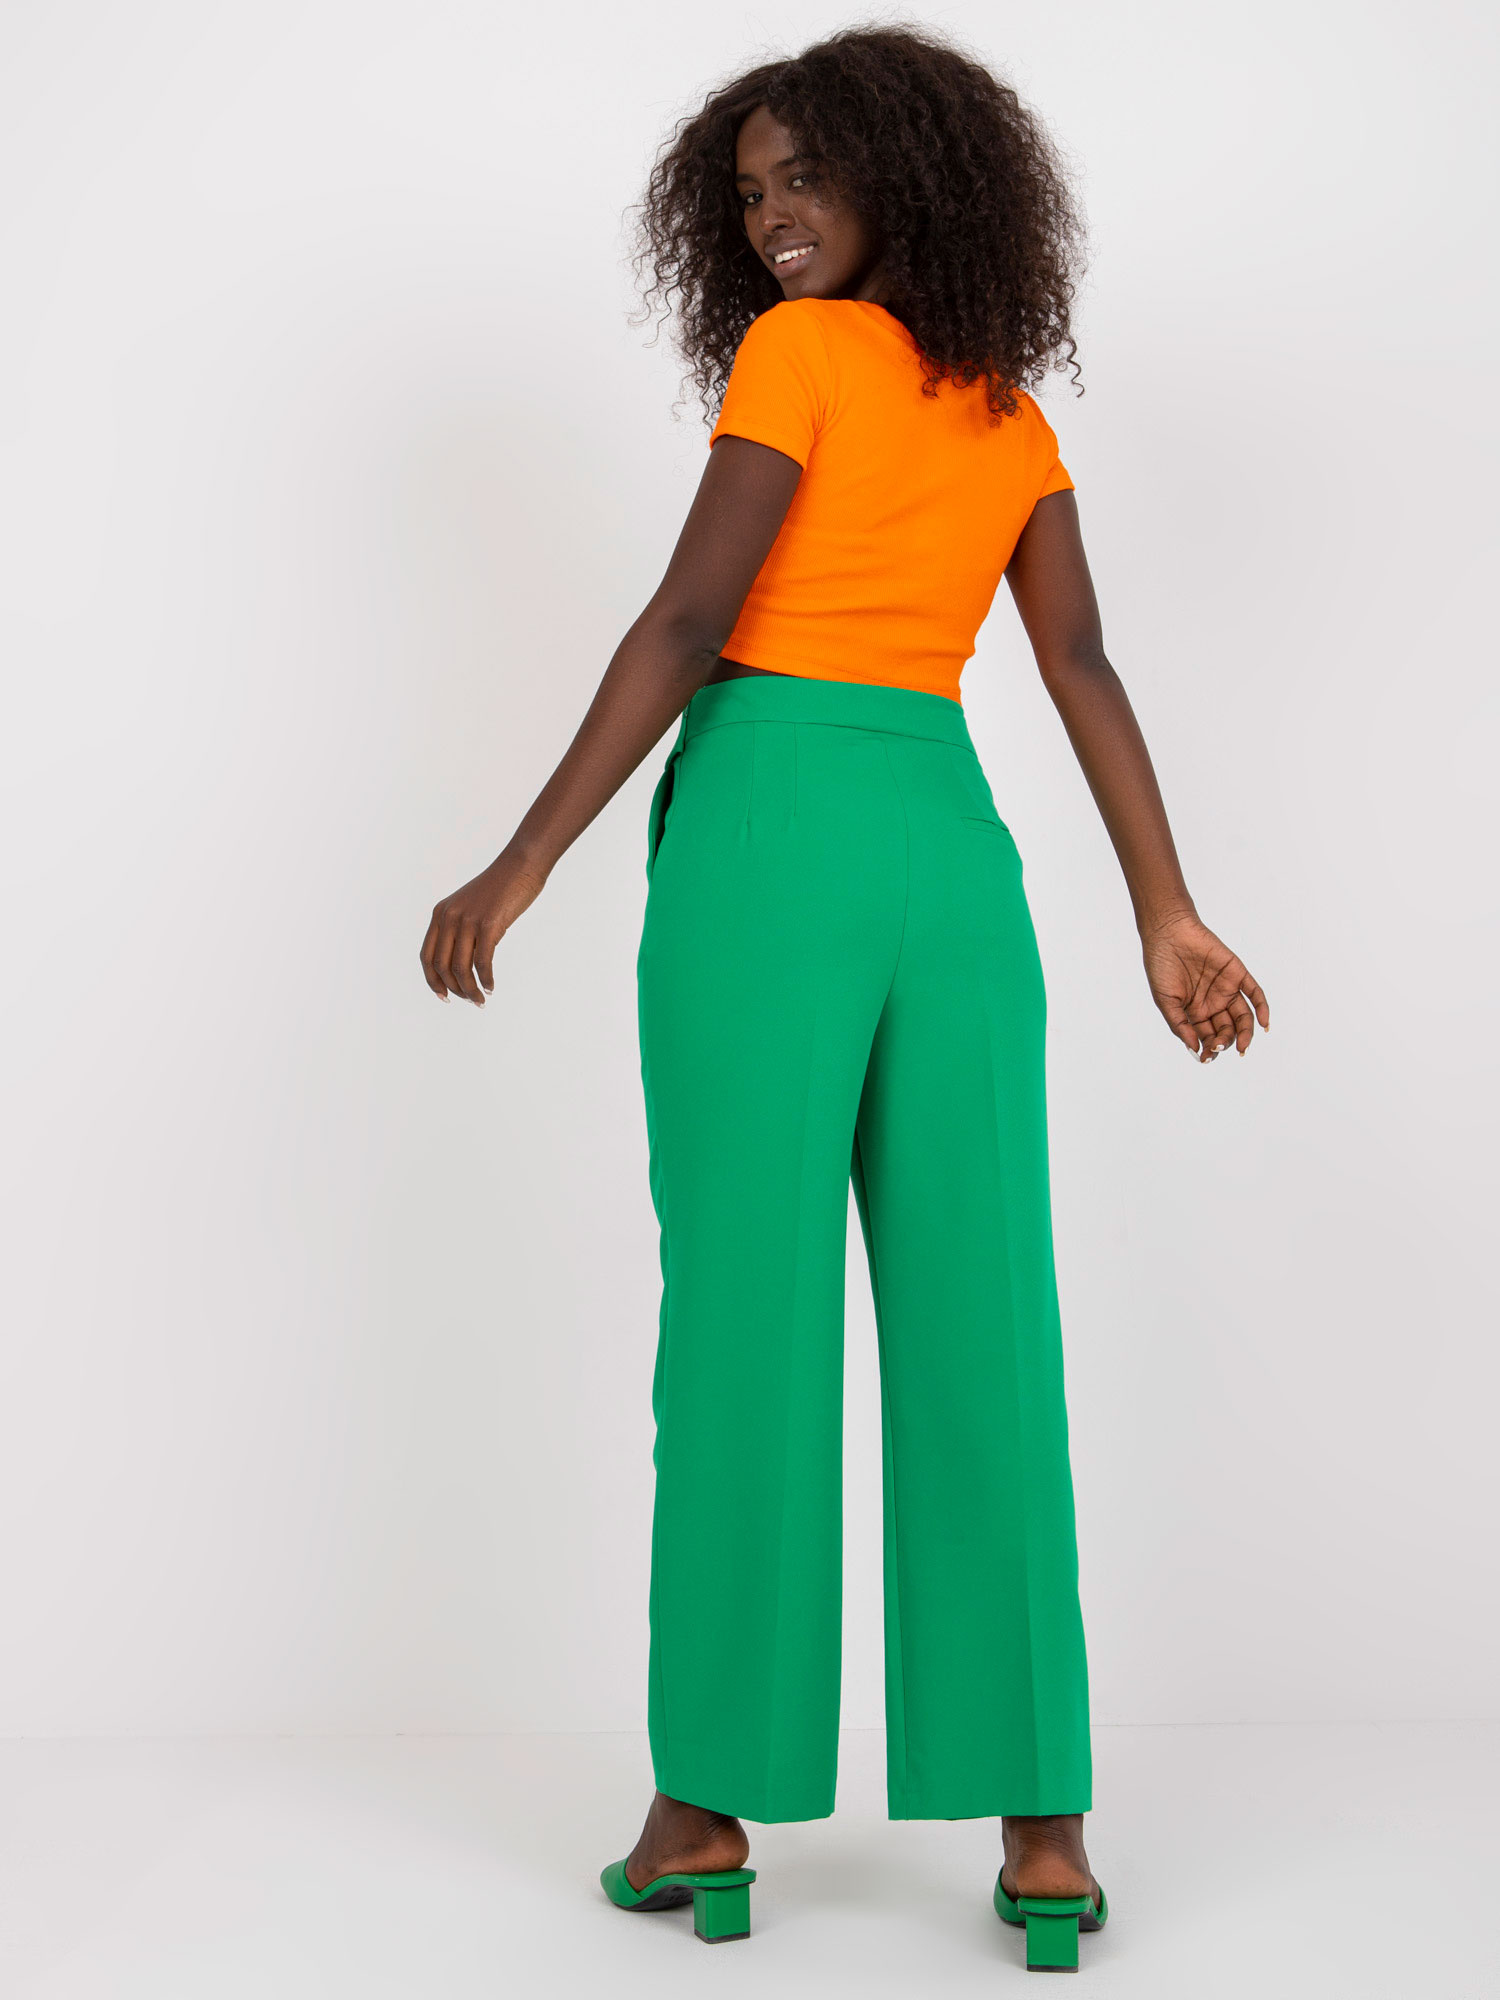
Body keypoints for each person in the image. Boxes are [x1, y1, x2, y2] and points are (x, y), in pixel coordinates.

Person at [419, 23, 1268, 1970]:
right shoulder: (1009, 410)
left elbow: (689, 619)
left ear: (912, 180)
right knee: (989, 1321)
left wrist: (524, 859)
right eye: (750, 193)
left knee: (749, 1317)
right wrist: (1162, 908)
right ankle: (1043, 1834)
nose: (775, 218)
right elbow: (1078, 665)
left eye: (807, 176)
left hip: (774, 839)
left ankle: (706, 1811)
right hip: (952, 854)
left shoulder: (798, 356)